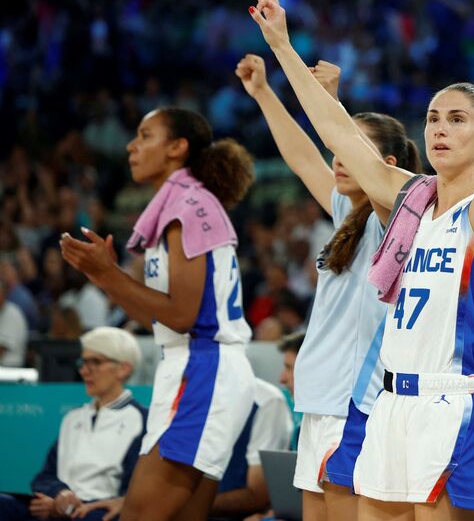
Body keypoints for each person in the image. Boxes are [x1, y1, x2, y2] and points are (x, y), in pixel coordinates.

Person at [248, 0, 474, 519]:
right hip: (388, 404)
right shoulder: (409, 198)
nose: (440, 129)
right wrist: (284, 50)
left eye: (457, 119)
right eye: (434, 118)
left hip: (452, 404)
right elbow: (338, 133)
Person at [235, 54, 420, 520]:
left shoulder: (394, 217)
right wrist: (262, 93)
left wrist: (327, 98)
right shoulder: (347, 215)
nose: (337, 157)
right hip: (320, 401)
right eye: (337, 148)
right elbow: (301, 157)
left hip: (356, 400)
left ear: (388, 164)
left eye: (350, 148)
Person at [60, 107, 257, 521]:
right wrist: (105, 277)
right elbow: (161, 317)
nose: (132, 146)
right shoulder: (185, 204)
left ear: (176, 148)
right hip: (198, 368)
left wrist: (107, 273)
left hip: (203, 369)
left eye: (145, 135)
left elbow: (182, 315)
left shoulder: (187, 207)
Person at [0, 328, 145, 521]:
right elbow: (44, 477)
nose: (85, 370)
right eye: (83, 362)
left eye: (95, 362)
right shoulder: (73, 418)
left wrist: (66, 509)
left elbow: (131, 495)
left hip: (97, 511)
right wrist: (60, 494)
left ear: (123, 369)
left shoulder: (140, 420)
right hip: (60, 507)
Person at [211, 378, 294, 519]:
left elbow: (258, 495)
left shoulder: (266, 401)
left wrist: (191, 505)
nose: (282, 378)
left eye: (289, 367)